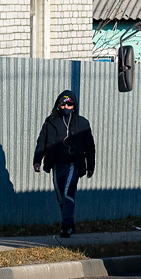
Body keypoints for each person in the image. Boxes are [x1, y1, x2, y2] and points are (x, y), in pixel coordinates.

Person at [33, 90, 95, 237]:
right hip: (56, 164)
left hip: (74, 164)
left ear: (74, 106)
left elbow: (90, 146)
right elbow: (42, 141)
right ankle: (70, 223)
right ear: (58, 105)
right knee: (61, 196)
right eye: (63, 104)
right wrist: (37, 160)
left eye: (70, 105)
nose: (66, 107)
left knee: (68, 193)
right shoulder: (50, 121)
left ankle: (65, 225)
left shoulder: (82, 123)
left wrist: (90, 166)